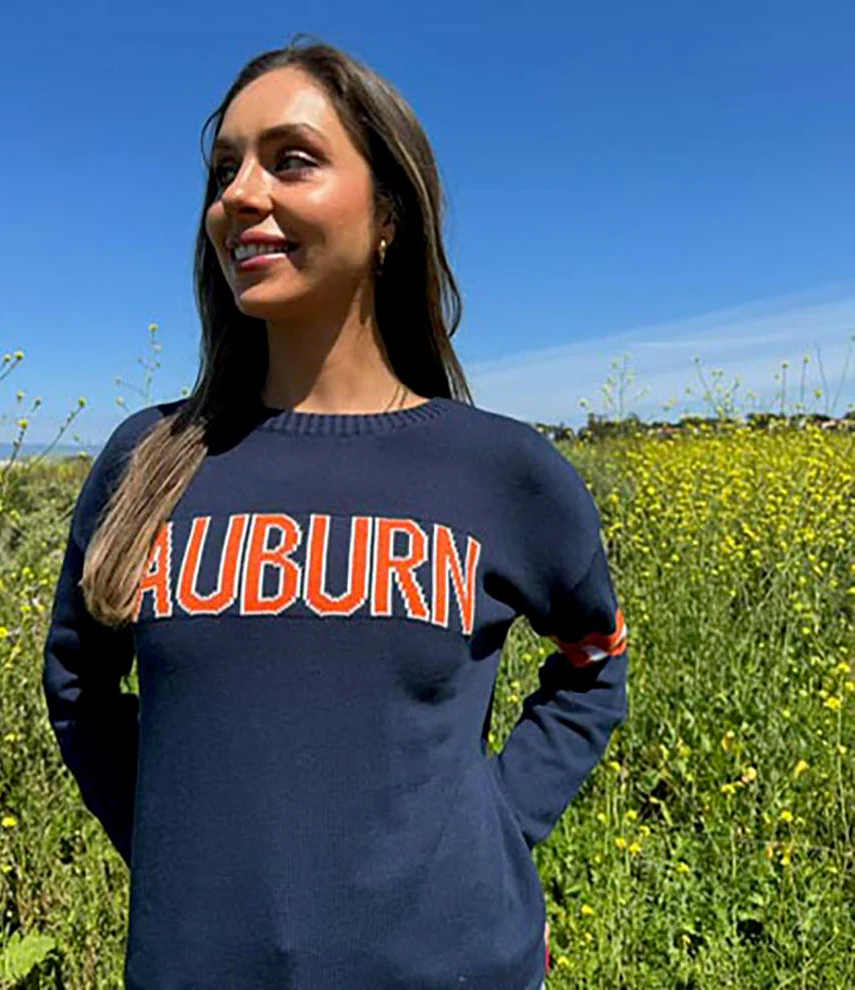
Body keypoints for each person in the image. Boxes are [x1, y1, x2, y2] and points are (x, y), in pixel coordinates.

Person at [42, 34, 628, 990]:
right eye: (224, 167)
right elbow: (78, 684)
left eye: (292, 159)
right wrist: (180, 860)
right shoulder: (147, 461)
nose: (238, 193)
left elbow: (595, 662)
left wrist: (498, 829)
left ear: (389, 212)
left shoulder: (501, 470)